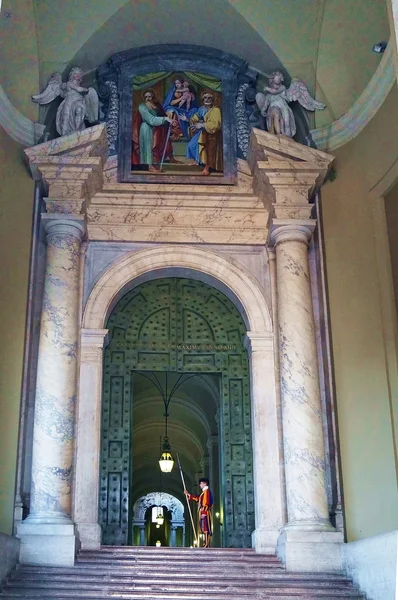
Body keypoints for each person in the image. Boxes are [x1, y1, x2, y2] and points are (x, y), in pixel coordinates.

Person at [132, 89, 176, 172]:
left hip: (157, 129)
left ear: (153, 96)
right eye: (146, 97)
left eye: (149, 96)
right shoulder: (142, 106)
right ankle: (149, 166)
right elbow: (150, 119)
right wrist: (166, 118)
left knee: (154, 146)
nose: (148, 98)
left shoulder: (157, 106)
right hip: (146, 128)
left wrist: (169, 119)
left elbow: (162, 115)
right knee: (148, 147)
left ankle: (155, 163)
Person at [180, 90, 223, 176]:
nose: (207, 100)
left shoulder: (215, 110)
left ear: (213, 99)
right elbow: (195, 118)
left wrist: (202, 125)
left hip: (212, 134)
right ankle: (196, 161)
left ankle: (207, 167)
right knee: (192, 145)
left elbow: (215, 125)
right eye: (205, 98)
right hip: (202, 132)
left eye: (209, 98)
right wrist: (187, 119)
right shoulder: (201, 109)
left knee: (209, 150)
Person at [184, 477, 213, 548]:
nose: (200, 485)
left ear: (204, 483)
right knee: (203, 528)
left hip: (205, 513)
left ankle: (206, 544)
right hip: (203, 512)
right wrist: (188, 494)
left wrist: (204, 512)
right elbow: (197, 499)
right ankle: (205, 543)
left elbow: (206, 503)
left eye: (200, 483)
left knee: (206, 528)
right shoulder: (203, 493)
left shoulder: (206, 492)